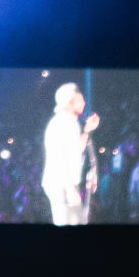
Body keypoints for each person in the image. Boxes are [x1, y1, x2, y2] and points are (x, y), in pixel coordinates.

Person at [41, 82, 99, 226]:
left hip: (65, 184)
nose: (84, 102)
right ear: (68, 102)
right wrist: (69, 188)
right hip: (61, 185)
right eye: (80, 100)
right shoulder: (62, 122)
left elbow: (76, 150)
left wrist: (86, 131)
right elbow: (57, 158)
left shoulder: (70, 123)